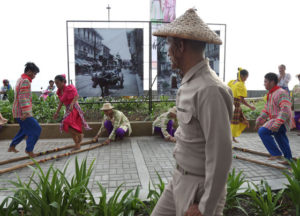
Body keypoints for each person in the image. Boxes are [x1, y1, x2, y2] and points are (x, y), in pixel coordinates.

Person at [151, 9, 233, 216]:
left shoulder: (210, 89)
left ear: (180, 46)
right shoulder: (191, 83)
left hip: (199, 187)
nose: (167, 51)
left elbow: (221, 156)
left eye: (169, 44)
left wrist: (205, 207)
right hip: (179, 179)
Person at [256, 73, 295, 165]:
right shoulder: (272, 93)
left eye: (265, 81)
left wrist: (278, 123)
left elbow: (285, 109)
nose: (264, 83)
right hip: (277, 120)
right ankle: (288, 159)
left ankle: (276, 153)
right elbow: (267, 110)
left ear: (272, 82)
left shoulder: (281, 92)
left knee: (263, 131)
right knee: (281, 138)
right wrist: (259, 120)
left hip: (281, 120)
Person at [8, 62, 42, 157]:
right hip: (22, 112)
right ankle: (29, 150)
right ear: (29, 71)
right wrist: (26, 113)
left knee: (25, 129)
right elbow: (23, 98)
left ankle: (12, 145)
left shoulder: (20, 79)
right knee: (36, 129)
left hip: (18, 111)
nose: (34, 76)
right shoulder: (26, 81)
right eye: (34, 73)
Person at [53, 74, 91, 150]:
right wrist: (56, 112)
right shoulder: (59, 91)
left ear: (63, 82)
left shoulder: (69, 88)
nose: (56, 85)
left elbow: (76, 95)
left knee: (67, 123)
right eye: (55, 83)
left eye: (58, 83)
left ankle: (80, 136)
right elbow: (61, 102)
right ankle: (77, 144)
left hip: (74, 108)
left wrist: (72, 104)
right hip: (68, 109)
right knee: (69, 127)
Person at [228, 68, 256, 143]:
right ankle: (230, 138)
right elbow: (241, 99)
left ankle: (232, 137)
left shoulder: (232, 82)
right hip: (236, 105)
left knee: (234, 120)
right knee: (235, 122)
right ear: (242, 76)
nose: (246, 79)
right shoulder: (240, 84)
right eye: (246, 77)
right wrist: (250, 106)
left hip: (229, 103)